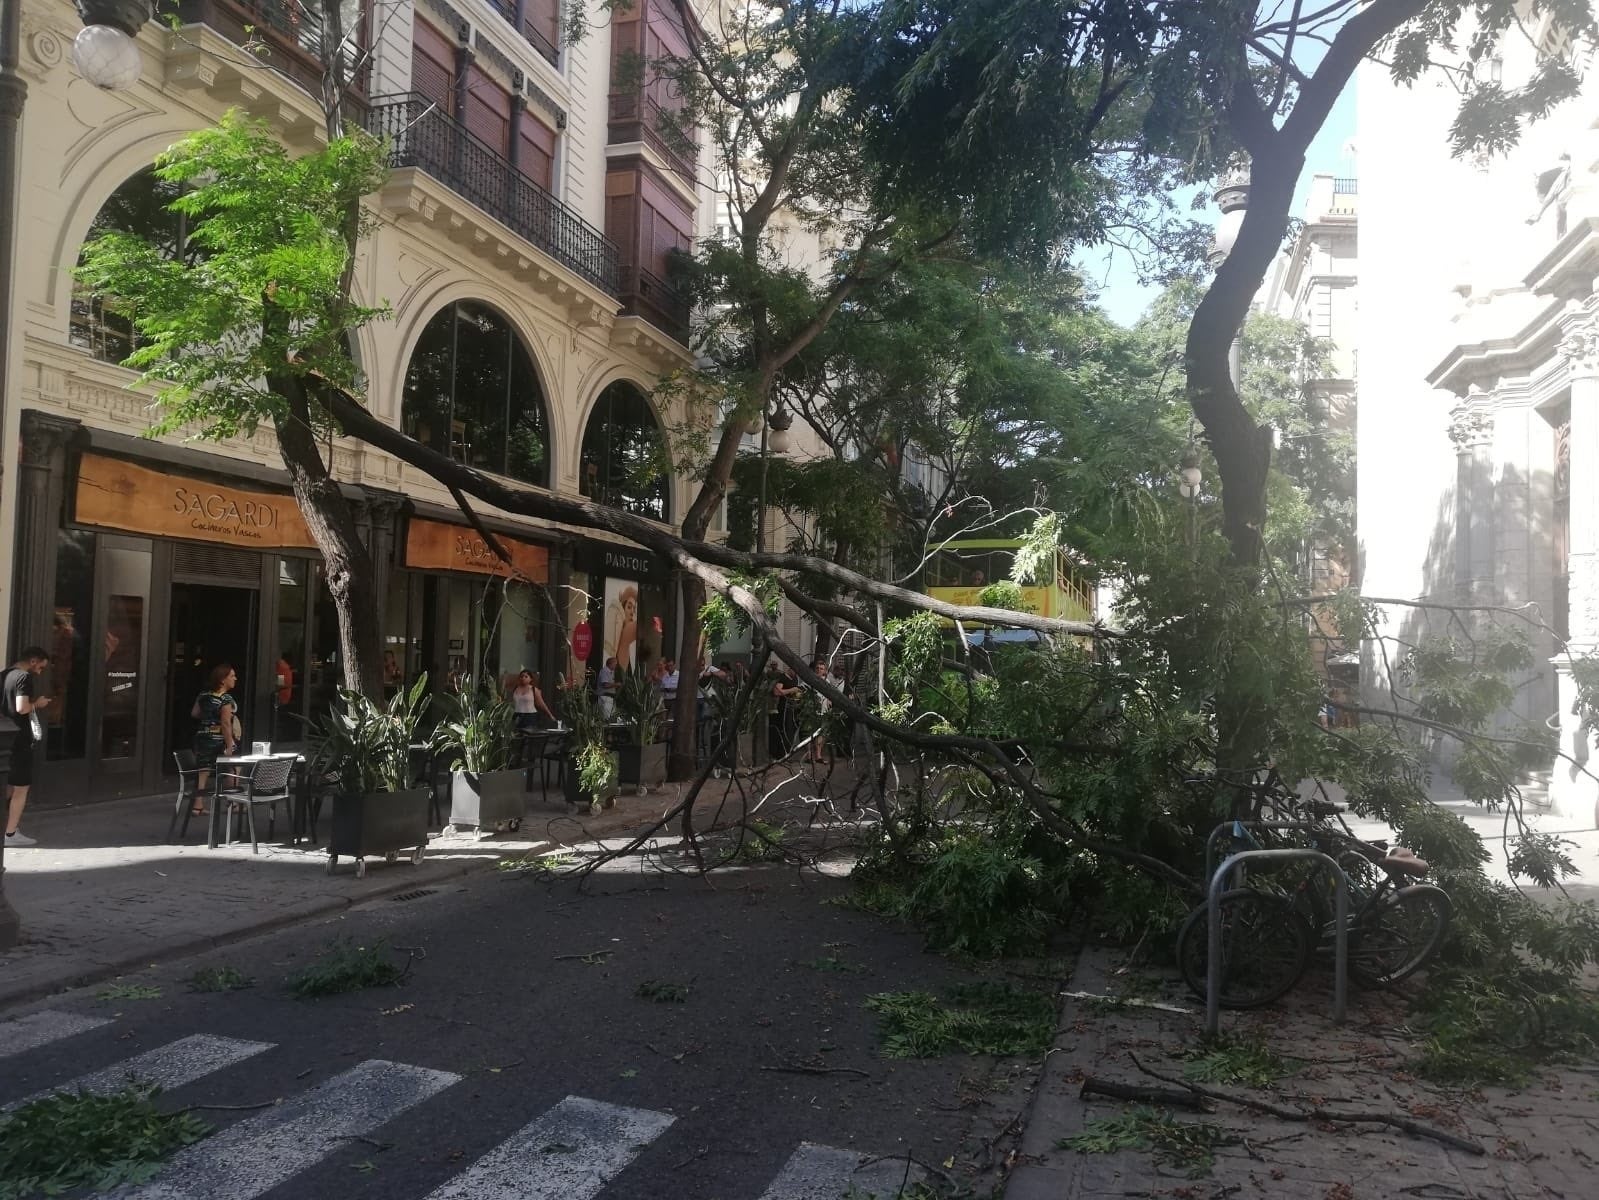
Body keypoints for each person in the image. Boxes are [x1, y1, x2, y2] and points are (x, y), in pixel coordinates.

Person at [3, 647, 53, 847]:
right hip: (20, 738)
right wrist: (37, 704)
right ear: (33, 661)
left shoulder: (4, 675)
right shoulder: (24, 677)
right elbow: (21, 707)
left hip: (5, 737)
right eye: (40, 666)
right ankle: (11, 834)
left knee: (6, 785)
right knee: (21, 788)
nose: (40, 671)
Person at [190, 663, 239, 810]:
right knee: (235, 767)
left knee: (203, 769)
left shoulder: (203, 695)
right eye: (232, 676)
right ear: (222, 680)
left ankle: (197, 804)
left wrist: (208, 717)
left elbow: (194, 714)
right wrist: (230, 744)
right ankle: (232, 802)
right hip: (218, 739)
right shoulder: (226, 699)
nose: (235, 678)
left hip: (202, 736)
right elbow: (225, 723)